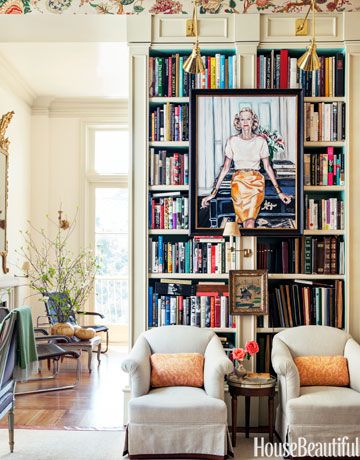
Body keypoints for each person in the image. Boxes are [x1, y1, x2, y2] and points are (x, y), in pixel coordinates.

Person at [201, 107, 292, 229]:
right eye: (242, 119)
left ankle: (248, 244)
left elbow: (268, 167)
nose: (245, 122)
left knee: (249, 221)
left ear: (253, 121)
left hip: (256, 183)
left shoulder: (261, 141)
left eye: (248, 119)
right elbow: (225, 168)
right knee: (245, 221)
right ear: (238, 122)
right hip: (238, 182)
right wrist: (213, 193)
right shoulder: (232, 141)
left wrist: (279, 192)